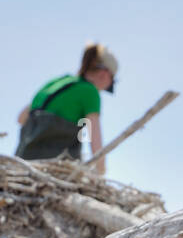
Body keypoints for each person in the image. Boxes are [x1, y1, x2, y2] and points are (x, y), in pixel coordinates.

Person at [15, 43, 117, 174]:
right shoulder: (90, 91)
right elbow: (95, 142)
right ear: (105, 74)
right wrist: (101, 171)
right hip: (54, 171)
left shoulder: (58, 82)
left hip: (23, 165)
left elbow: (21, 118)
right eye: (112, 82)